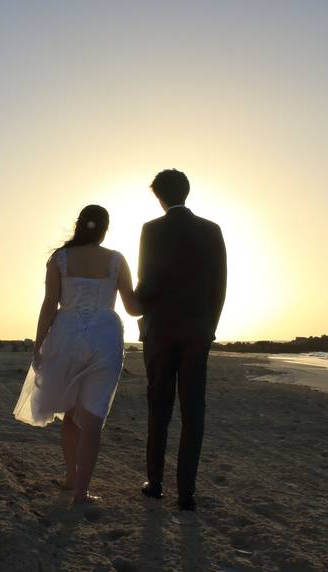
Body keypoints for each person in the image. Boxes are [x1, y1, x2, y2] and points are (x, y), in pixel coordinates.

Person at [14, 204, 142, 505]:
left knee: (71, 413)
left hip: (67, 336)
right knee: (92, 419)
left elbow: (49, 304)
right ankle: (81, 491)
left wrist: (39, 344)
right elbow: (134, 308)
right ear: (105, 228)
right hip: (104, 337)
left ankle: (72, 478)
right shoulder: (116, 260)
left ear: (79, 225)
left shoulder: (60, 259)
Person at [136, 169, 227, 511]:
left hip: (160, 331)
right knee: (194, 409)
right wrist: (209, 327)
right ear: (187, 192)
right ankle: (186, 492)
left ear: (159, 196)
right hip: (197, 332)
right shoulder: (211, 230)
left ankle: (155, 483)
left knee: (159, 407)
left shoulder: (152, 230)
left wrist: (140, 310)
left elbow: (148, 280)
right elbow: (220, 285)